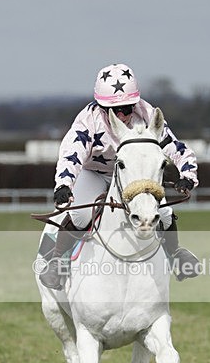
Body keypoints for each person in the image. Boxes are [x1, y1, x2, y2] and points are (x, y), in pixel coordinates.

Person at [39, 63, 201, 289]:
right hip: (95, 173)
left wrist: (188, 174)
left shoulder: (146, 114)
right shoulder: (88, 121)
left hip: (133, 176)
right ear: (102, 106)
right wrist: (64, 185)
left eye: (128, 107)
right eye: (117, 110)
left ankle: (176, 255)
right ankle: (58, 261)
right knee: (81, 215)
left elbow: (175, 147)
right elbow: (71, 156)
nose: (124, 114)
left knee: (163, 212)